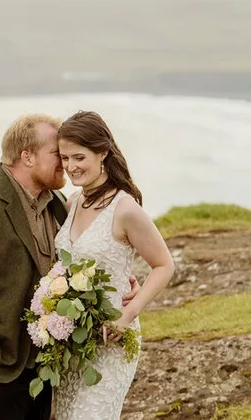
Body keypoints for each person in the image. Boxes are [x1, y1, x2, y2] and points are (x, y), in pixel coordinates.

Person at [0, 113, 138, 420]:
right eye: (57, 154)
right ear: (26, 156)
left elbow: (79, 259)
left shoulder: (58, 202)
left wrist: (121, 280)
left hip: (44, 367)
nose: (65, 164)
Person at [53, 111, 174, 420]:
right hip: (74, 345)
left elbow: (164, 265)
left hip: (112, 341)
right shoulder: (71, 203)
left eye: (79, 157)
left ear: (103, 152)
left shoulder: (126, 209)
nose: (71, 167)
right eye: (64, 158)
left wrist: (128, 314)